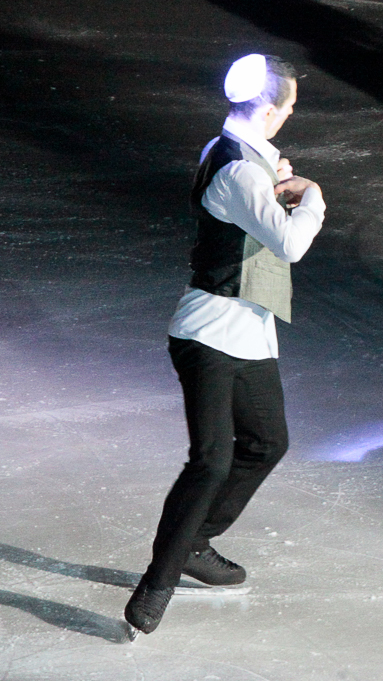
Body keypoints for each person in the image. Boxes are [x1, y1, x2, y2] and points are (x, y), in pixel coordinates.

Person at [126, 54, 326, 633]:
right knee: (212, 460)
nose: (290, 114)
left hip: (249, 330)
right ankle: (157, 583)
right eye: (288, 106)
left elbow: (250, 180)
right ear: (268, 111)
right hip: (210, 331)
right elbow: (290, 244)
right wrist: (311, 194)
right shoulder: (239, 171)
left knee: (266, 442)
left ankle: (195, 541)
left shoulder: (233, 152)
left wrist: (274, 174)